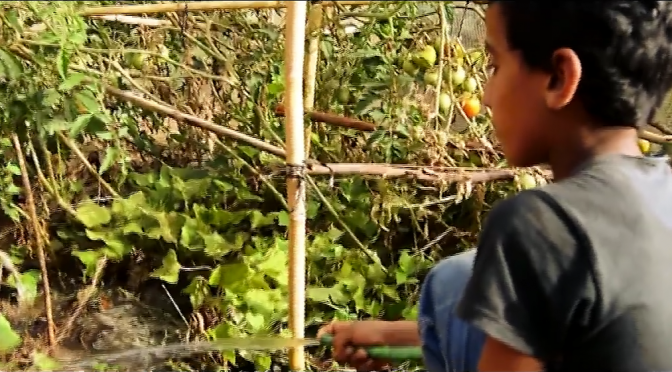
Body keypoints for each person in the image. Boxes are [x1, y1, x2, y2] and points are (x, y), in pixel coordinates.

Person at [318, 2, 672, 371]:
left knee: (452, 280)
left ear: (559, 77)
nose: (485, 96)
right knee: (455, 281)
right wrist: (392, 336)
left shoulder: (540, 223)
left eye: (495, 66)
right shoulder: (662, 192)